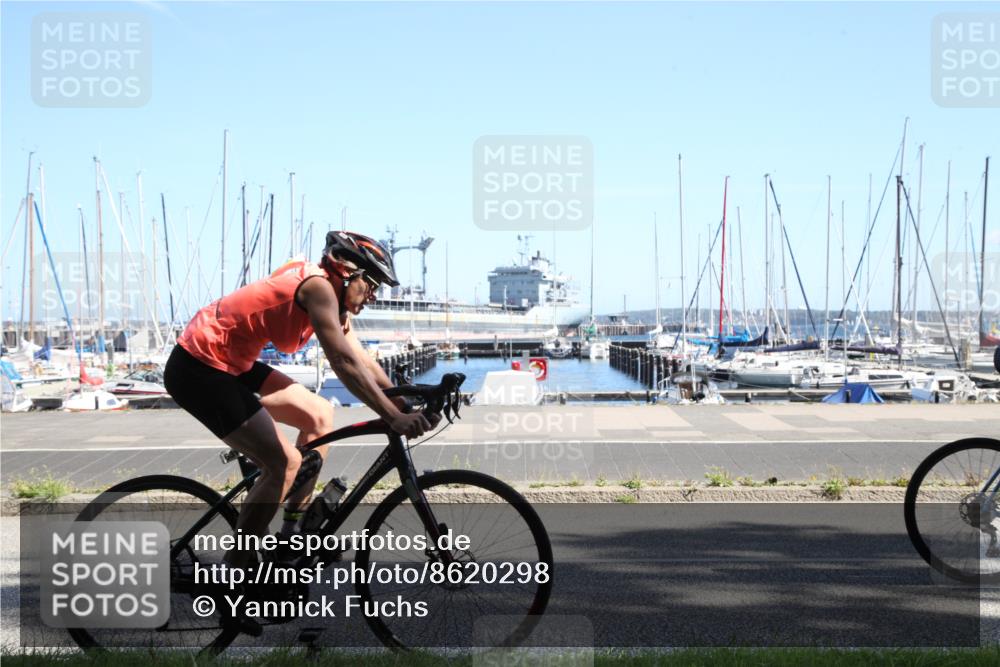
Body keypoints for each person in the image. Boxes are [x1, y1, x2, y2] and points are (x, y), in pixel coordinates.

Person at [164, 231, 435, 569]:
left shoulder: (334, 301)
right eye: (372, 285)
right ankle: (235, 573)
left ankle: (293, 533)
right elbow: (343, 362)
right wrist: (393, 418)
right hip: (198, 366)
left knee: (320, 414)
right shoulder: (318, 288)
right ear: (349, 273)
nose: (374, 297)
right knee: (285, 463)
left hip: (234, 363)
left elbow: (361, 358)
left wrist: (404, 405)